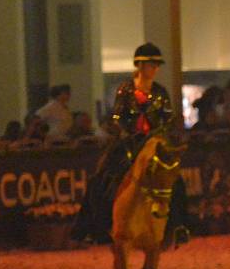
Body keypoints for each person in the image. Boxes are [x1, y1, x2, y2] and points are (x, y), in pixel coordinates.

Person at [71, 42, 190, 246]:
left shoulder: (160, 92)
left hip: (154, 141)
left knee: (175, 180)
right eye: (151, 65)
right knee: (102, 177)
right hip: (130, 141)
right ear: (140, 66)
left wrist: (158, 134)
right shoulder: (125, 90)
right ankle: (93, 226)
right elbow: (118, 116)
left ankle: (179, 226)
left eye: (156, 65)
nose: (155, 69)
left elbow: (168, 118)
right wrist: (126, 131)